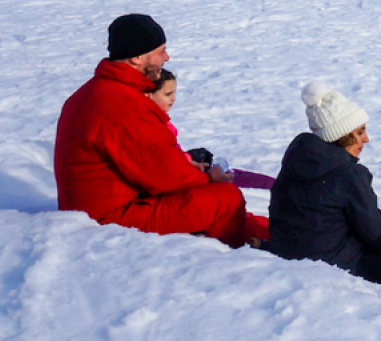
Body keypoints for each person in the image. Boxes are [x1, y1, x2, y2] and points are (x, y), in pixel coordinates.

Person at [54, 14, 260, 248]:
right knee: (225, 200)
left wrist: (186, 168)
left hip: (105, 207)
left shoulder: (100, 92)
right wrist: (208, 177)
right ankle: (236, 258)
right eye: (161, 51)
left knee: (217, 202)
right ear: (137, 57)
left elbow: (151, 163)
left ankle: (259, 233)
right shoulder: (120, 104)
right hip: (106, 219)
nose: (166, 57)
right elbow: (167, 177)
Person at [268, 81, 381, 281]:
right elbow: (375, 233)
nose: (366, 139)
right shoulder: (348, 174)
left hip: (287, 256)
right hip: (336, 267)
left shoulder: (296, 162)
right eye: (359, 132)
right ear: (340, 135)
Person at [149, 70, 275, 191]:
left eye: (174, 93)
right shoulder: (151, 126)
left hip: (185, 170)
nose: (174, 99)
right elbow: (164, 161)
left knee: (228, 170)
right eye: (167, 94)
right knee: (227, 176)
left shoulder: (161, 122)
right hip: (181, 177)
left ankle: (273, 184)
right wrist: (189, 158)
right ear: (149, 95)